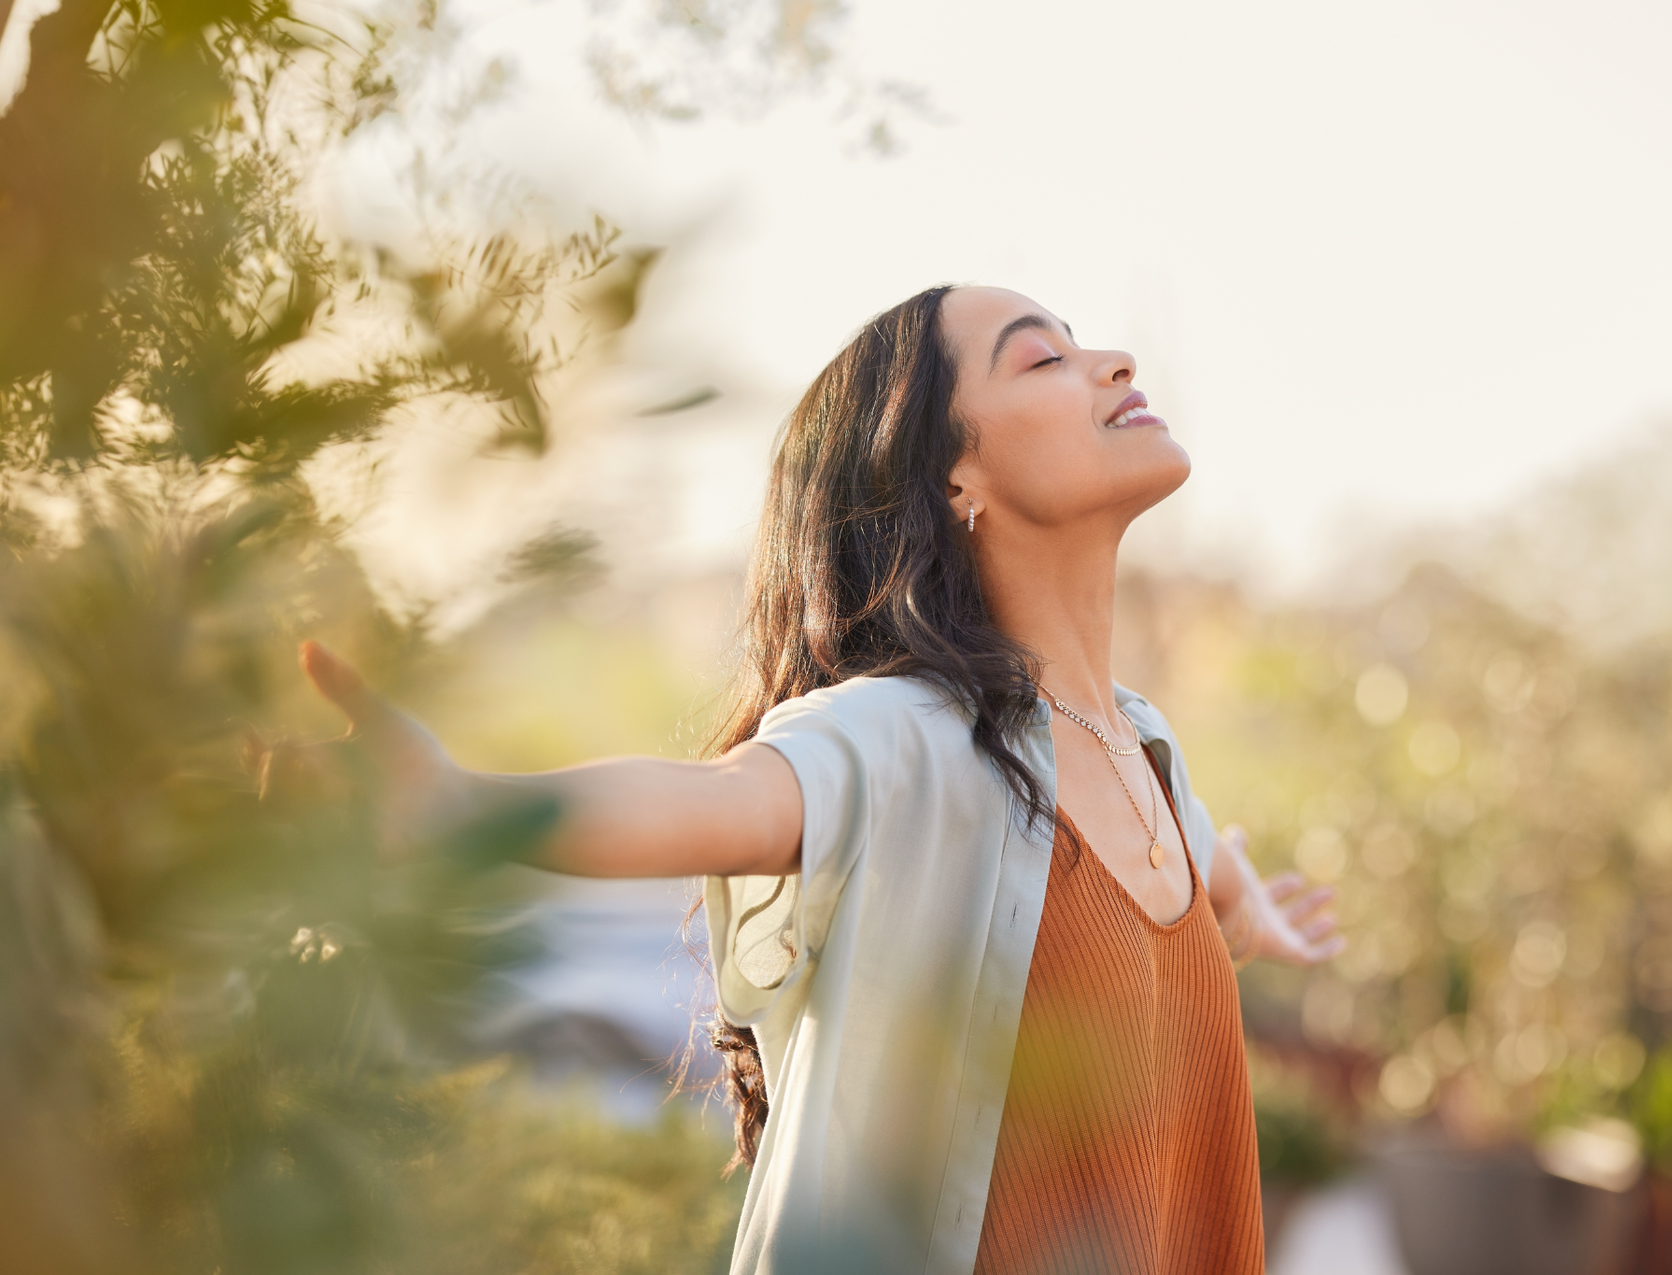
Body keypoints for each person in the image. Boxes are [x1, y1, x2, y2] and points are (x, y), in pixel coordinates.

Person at [296, 285, 1344, 1275]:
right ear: (953, 482)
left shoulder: (1146, 753)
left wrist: (1238, 900)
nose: (1113, 363)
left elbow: (1186, 862)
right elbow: (722, 803)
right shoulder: (908, 737)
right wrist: (463, 808)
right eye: (1044, 358)